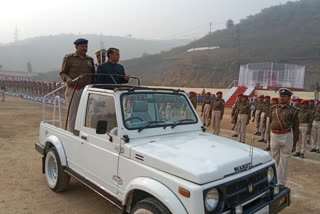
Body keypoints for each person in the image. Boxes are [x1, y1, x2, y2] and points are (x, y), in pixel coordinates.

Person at [59, 38, 95, 133]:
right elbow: (63, 73)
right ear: (76, 47)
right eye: (82, 46)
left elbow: (93, 76)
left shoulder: (90, 60)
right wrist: (67, 79)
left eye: (86, 46)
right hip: (73, 90)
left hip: (86, 91)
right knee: (73, 114)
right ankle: (72, 134)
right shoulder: (69, 58)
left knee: (84, 114)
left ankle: (81, 133)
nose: (85, 48)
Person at [269, 88, 299, 188]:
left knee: (284, 160)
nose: (281, 98)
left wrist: (294, 143)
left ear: (289, 98)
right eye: (280, 96)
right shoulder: (273, 108)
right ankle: (273, 179)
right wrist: (269, 139)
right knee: (274, 159)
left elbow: (295, 128)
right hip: (274, 135)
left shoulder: (293, 111)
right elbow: (270, 123)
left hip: (286, 136)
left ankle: (281, 182)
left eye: (284, 96)